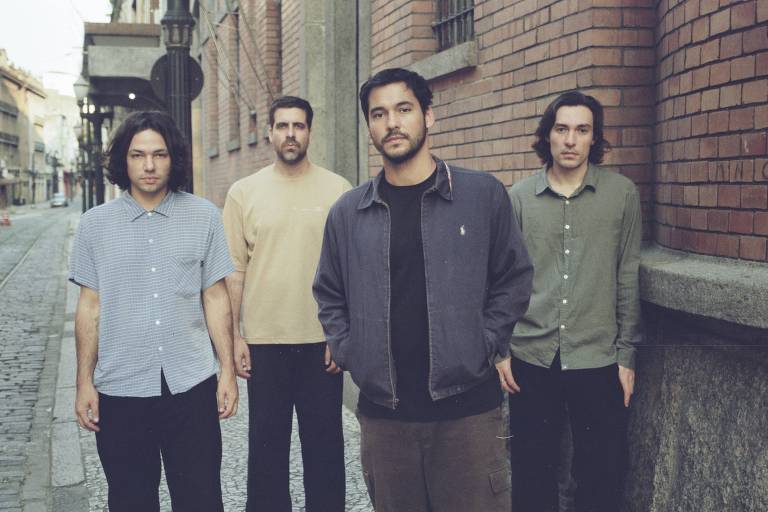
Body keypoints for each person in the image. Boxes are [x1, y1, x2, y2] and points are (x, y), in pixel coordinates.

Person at [313, 67, 533, 512]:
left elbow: (513, 278)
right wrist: (354, 352)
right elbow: (329, 292)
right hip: (385, 417)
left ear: (429, 117)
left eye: (403, 109)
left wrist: (483, 342)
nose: (391, 122)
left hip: (466, 413)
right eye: (379, 114)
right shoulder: (349, 212)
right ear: (370, 126)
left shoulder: (481, 195)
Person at [69, 110, 238, 512]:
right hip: (120, 387)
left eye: (159, 155)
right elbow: (89, 306)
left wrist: (227, 370)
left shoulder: (204, 216)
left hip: (191, 384)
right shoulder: (94, 225)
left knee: (200, 499)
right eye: (138, 155)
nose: (148, 165)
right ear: (122, 161)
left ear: (173, 158)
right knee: (130, 500)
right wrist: (83, 382)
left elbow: (216, 297)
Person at [507, 91, 643, 512]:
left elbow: (626, 274)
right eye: (561, 129)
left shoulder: (621, 195)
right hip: (531, 354)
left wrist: (627, 356)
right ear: (547, 136)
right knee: (531, 471)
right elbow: (505, 280)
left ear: (594, 138)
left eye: (581, 130)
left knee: (601, 472)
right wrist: (499, 350)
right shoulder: (519, 197)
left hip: (598, 354)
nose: (570, 139)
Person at [222, 96, 351, 512]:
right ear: (270, 133)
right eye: (282, 126)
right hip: (264, 342)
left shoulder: (338, 190)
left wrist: (341, 334)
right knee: (266, 451)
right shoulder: (244, 193)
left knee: (325, 450)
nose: (290, 134)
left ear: (310, 131)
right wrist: (235, 337)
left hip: (320, 342)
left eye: (298, 126)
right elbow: (235, 271)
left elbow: (351, 269)